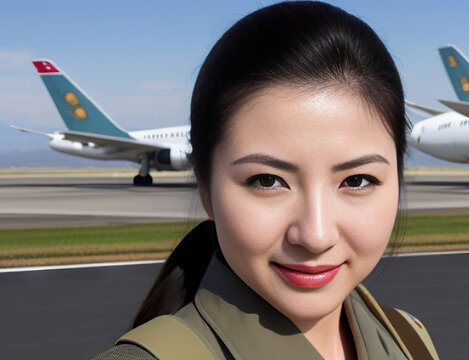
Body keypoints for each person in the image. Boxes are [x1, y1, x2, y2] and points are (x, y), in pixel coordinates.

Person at [94, 1, 438, 359]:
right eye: (267, 181)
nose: (316, 236)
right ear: (205, 187)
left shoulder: (410, 339)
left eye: (357, 180)